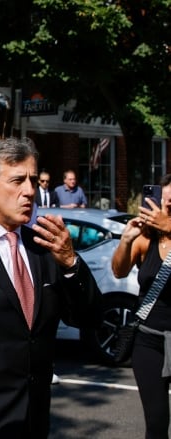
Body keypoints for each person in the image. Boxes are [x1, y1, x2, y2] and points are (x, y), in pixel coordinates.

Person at [0, 137, 101, 438]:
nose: (30, 190)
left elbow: (88, 318)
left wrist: (70, 262)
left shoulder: (45, 249)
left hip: (35, 420)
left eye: (32, 179)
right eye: (17, 180)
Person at [112, 173, 171, 439]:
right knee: (156, 424)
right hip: (149, 341)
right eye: (163, 202)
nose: (164, 208)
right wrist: (126, 240)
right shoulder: (146, 238)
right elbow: (119, 271)